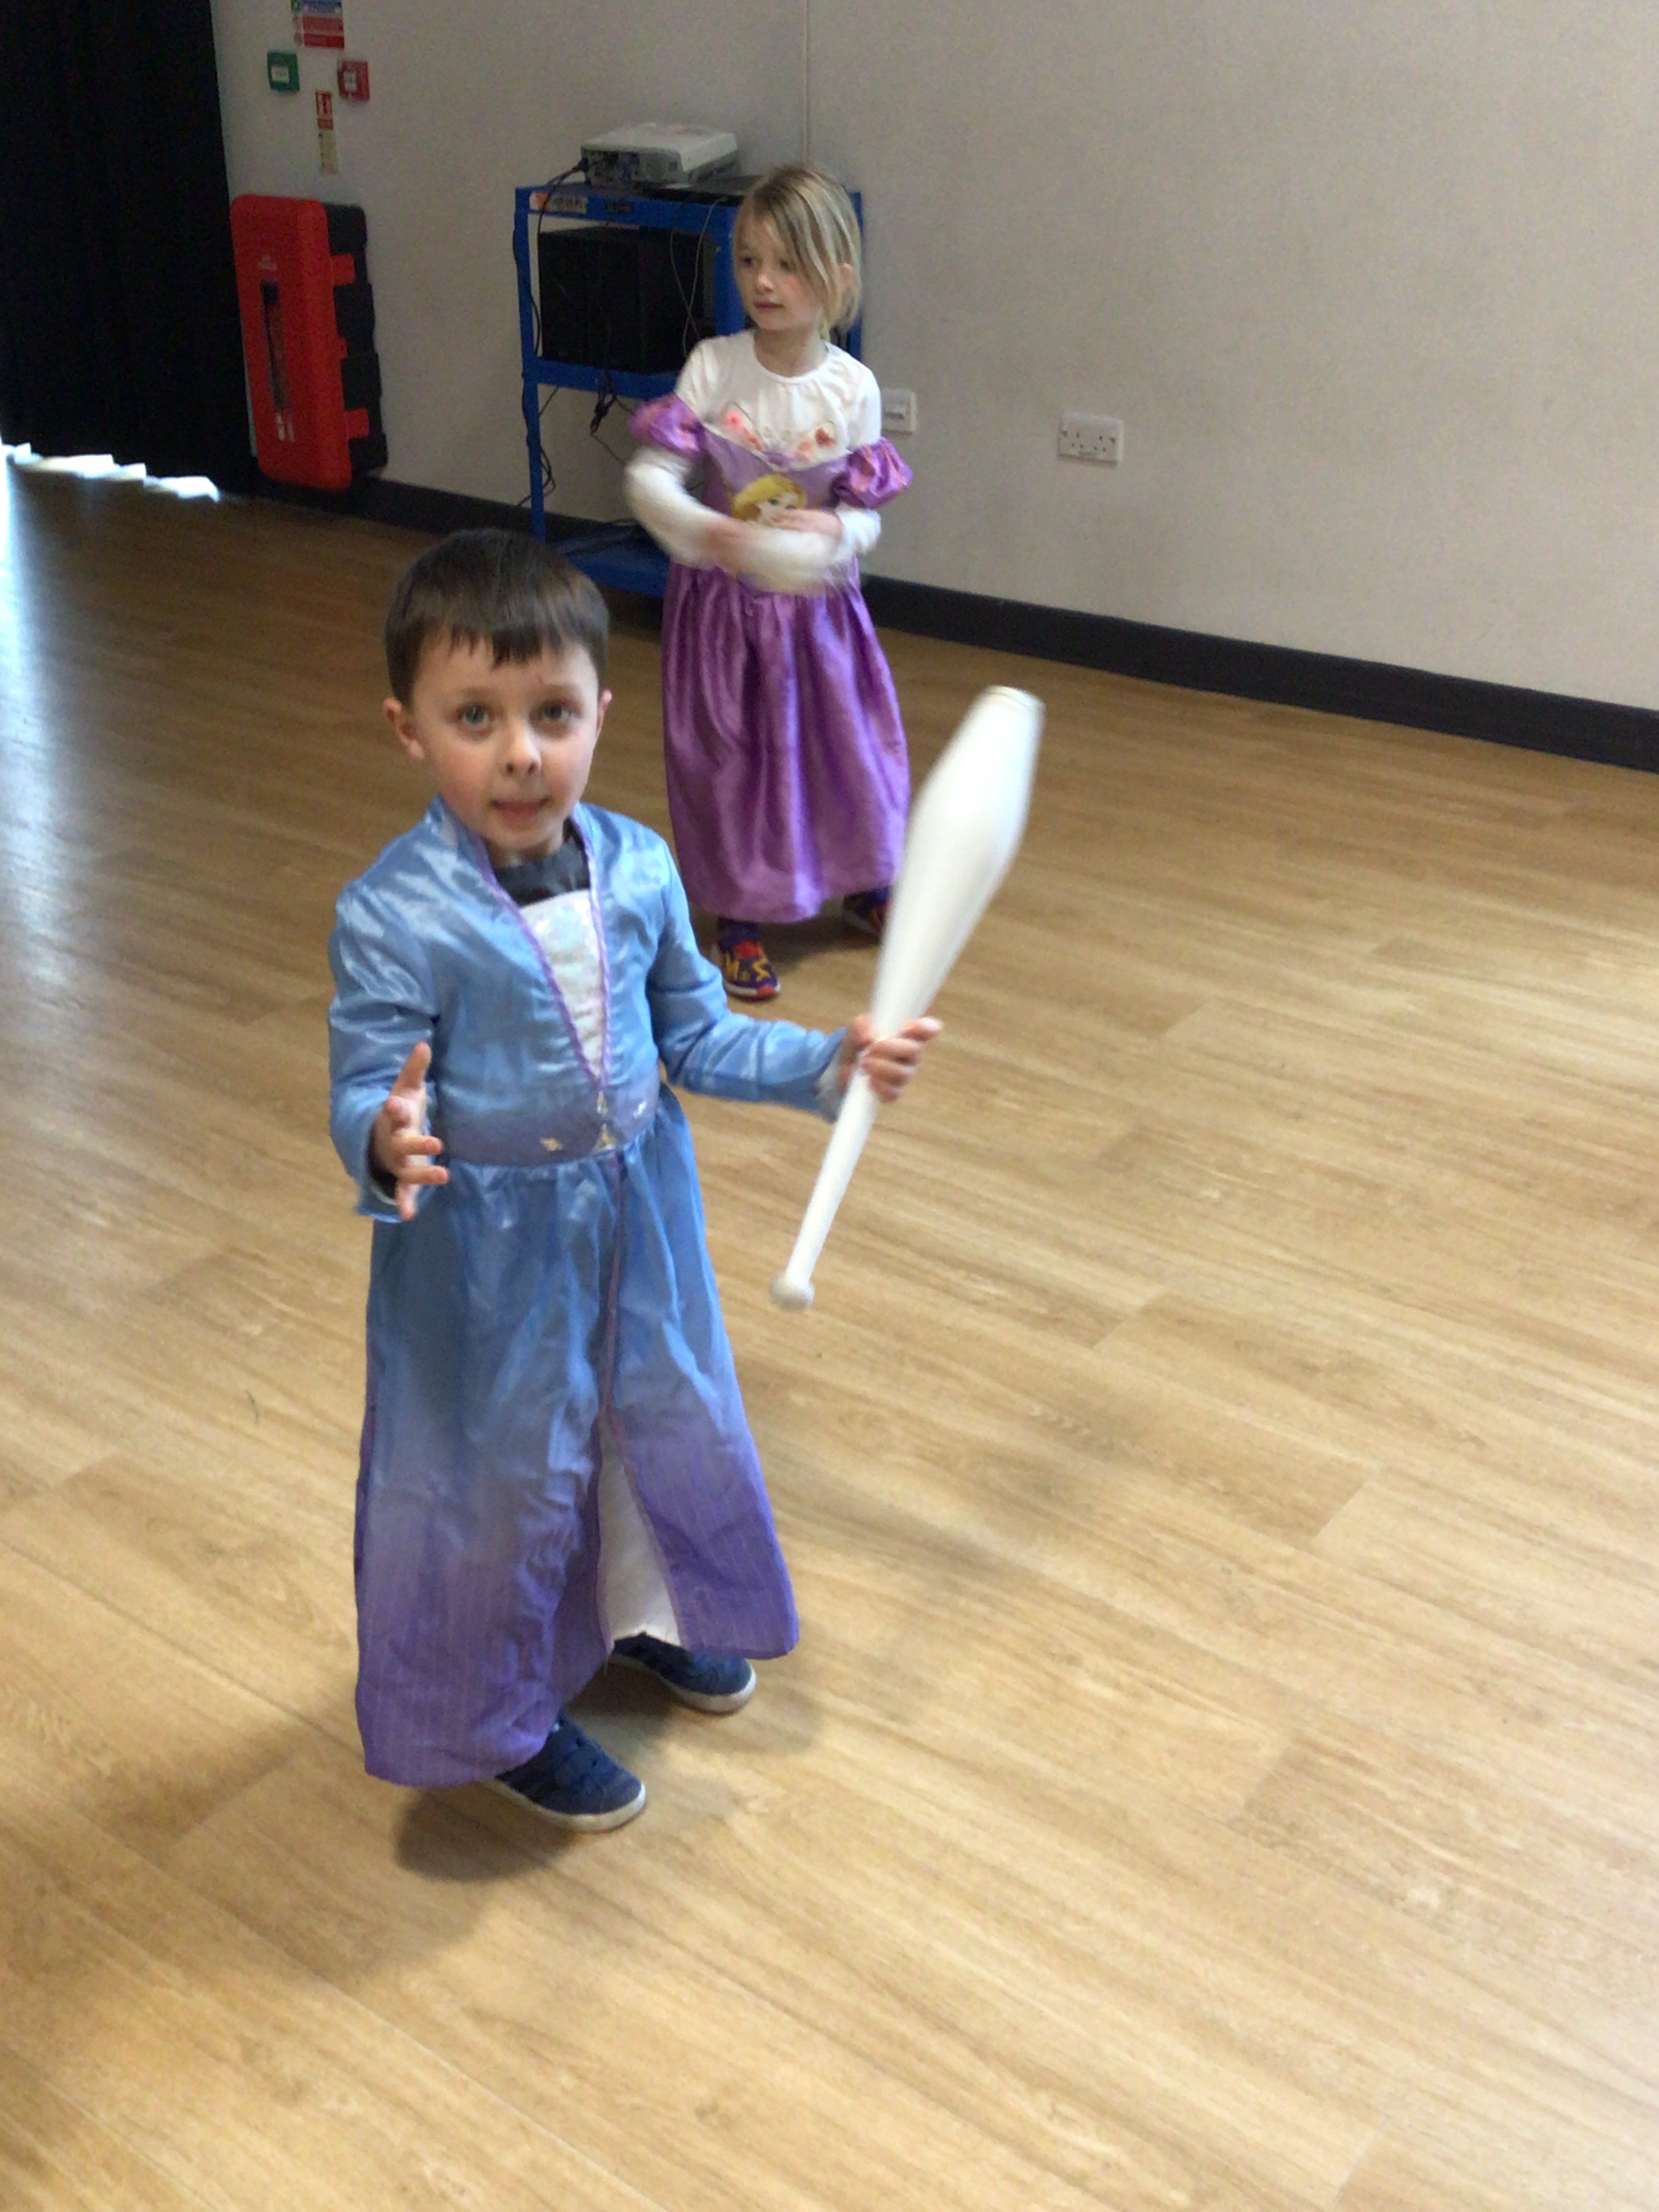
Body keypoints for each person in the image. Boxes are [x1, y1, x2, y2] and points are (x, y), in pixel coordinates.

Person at [327, 529, 936, 1830]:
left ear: (602, 712)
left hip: (639, 1220)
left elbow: (697, 1036)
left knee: (648, 1418)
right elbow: (369, 1070)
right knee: (501, 1473)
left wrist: (827, 1061)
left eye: (551, 714)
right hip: (485, 1256)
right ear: (407, 728)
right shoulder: (392, 910)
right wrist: (384, 1135)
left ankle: (640, 1615)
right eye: (475, 718)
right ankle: (501, 1716)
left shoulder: (644, 869)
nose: (521, 753)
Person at [626, 163, 912, 1002]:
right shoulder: (714, 368)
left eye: (787, 265)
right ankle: (741, 914)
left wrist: (837, 531)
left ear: (836, 277)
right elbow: (652, 480)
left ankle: (862, 880)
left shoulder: (852, 388)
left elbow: (865, 517)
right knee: (733, 759)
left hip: (820, 615)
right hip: (723, 616)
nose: (763, 282)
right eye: (750, 260)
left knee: (844, 749)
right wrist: (709, 534)